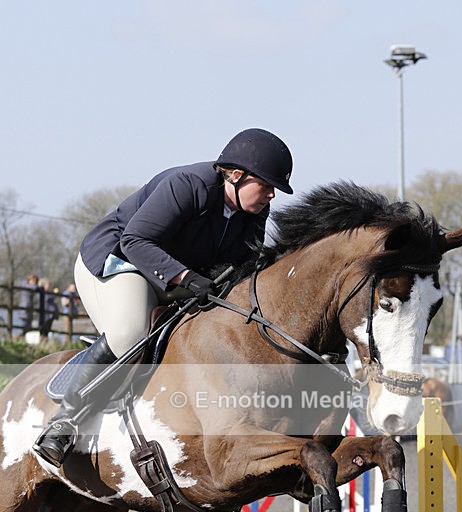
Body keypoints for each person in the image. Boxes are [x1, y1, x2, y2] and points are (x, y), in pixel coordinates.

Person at [33, 128, 294, 467]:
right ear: (236, 175)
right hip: (119, 261)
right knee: (130, 332)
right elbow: (136, 240)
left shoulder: (254, 211)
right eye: (267, 185)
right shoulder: (187, 185)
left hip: (171, 274)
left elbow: (243, 264)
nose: (272, 195)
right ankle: (64, 421)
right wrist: (188, 277)